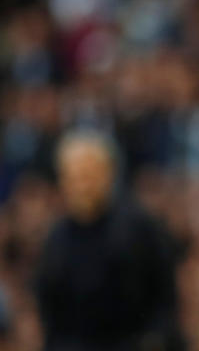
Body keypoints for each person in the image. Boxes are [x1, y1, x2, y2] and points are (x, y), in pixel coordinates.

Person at [34, 132, 184, 351]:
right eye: (75, 177)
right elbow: (50, 314)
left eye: (90, 175)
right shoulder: (55, 240)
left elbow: (164, 298)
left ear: (109, 174)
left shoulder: (140, 228)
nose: (83, 185)